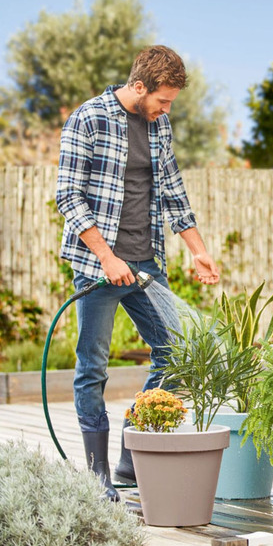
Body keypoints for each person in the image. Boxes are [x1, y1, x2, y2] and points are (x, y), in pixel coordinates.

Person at [56, 45, 220, 500]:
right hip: (98, 265)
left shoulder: (158, 125)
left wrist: (198, 250)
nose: (166, 110)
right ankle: (97, 476)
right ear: (139, 86)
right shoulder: (87, 120)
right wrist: (107, 258)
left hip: (146, 261)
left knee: (176, 352)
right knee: (93, 367)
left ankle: (133, 453)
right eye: (163, 100)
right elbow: (68, 197)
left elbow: (172, 190)